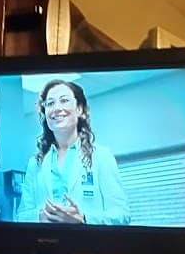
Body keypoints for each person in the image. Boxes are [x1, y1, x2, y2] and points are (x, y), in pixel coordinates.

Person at [17, 79, 131, 224]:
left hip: (88, 245)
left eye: (64, 100)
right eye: (50, 103)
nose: (57, 108)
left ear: (79, 110)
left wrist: (83, 219)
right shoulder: (35, 164)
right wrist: (40, 217)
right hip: (46, 245)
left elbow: (121, 215)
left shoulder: (102, 157)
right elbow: (21, 216)